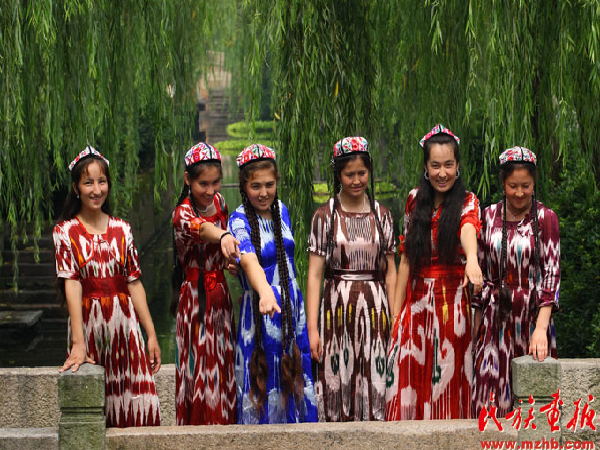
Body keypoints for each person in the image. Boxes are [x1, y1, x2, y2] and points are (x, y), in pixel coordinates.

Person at [53, 145, 161, 427]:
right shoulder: (65, 232)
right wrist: (78, 343)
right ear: (76, 188)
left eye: (102, 182)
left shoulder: (122, 229)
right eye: (88, 183)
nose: (97, 190)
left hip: (125, 327)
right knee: (93, 413)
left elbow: (134, 283)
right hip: (89, 326)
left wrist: (150, 334)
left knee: (140, 407)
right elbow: (72, 284)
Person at [385, 124, 483, 420]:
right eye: (435, 165)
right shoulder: (414, 199)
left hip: (451, 305)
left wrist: (472, 260)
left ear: (457, 166)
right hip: (415, 304)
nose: (442, 173)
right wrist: (396, 314)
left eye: (449, 165)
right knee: (407, 375)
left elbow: (468, 228)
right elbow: (406, 259)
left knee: (447, 378)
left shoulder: (468, 201)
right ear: (426, 167)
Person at [306, 136, 396, 421]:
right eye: (349, 174)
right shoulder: (324, 216)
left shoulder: (383, 215)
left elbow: (391, 271)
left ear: (369, 171)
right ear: (338, 175)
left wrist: (395, 317)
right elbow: (315, 275)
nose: (356, 181)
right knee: (337, 377)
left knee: (376, 377)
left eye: (362, 173)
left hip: (376, 311)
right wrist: (312, 329)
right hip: (336, 311)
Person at [228, 144, 318, 424]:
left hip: (292, 307)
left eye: (269, 184)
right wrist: (265, 292)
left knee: (295, 374)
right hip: (261, 310)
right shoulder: (238, 219)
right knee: (263, 377)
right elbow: (248, 259)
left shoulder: (281, 210)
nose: (264, 193)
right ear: (244, 186)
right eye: (256, 186)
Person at [472, 146, 560, 418]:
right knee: (487, 403)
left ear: (534, 183)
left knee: (535, 406)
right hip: (495, 318)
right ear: (502, 183)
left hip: (532, 318)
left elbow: (552, 275)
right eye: (513, 186)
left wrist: (541, 329)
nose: (519, 193)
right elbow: (480, 274)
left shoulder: (546, 219)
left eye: (526, 186)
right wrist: (475, 330)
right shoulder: (488, 216)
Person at [171, 142, 240, 425]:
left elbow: (223, 246)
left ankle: (225, 421)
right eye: (203, 184)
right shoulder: (182, 213)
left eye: (216, 182)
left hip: (220, 293)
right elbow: (203, 230)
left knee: (224, 361)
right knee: (198, 365)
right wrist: (223, 235)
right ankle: (198, 427)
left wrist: (231, 262)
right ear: (187, 179)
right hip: (195, 299)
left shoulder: (221, 202)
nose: (211, 190)